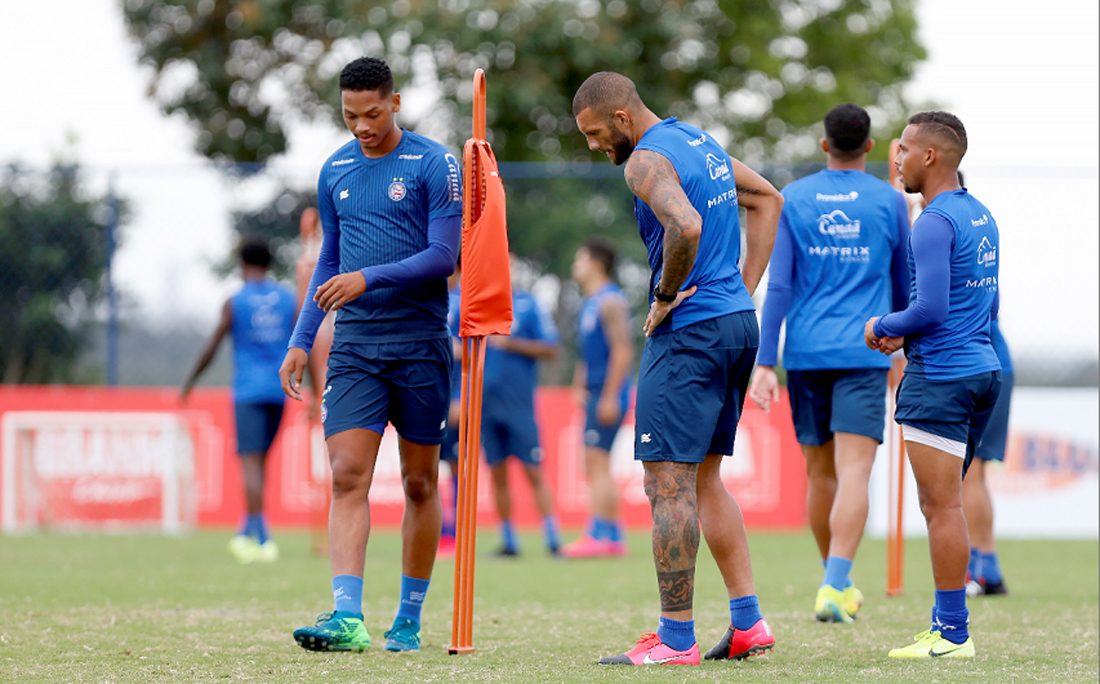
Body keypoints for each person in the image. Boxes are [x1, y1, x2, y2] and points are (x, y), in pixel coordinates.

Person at [573, 72, 783, 666]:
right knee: (704, 479)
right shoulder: (697, 139)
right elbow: (769, 198)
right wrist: (740, 291)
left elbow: (685, 225)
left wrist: (666, 294)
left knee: (666, 484)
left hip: (689, 333)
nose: (593, 147)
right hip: (737, 326)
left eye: (593, 133)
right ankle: (748, 624)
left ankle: (675, 639)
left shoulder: (642, 161)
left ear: (619, 118)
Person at [280, 56, 462, 654]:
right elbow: (330, 263)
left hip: (421, 345)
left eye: (373, 113)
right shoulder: (333, 170)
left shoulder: (435, 164)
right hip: (356, 345)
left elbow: (443, 257)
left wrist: (368, 278)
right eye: (350, 115)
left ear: (396, 102)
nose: (362, 126)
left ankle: (408, 618)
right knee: (347, 475)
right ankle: (347, 616)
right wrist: (301, 340)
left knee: (417, 484)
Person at [749, 103, 911, 623]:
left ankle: (832, 580)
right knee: (855, 472)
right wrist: (906, 348)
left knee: (820, 476)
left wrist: (764, 362)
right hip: (867, 352)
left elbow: (781, 285)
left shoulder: (794, 197)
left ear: (825, 145)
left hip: (804, 353)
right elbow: (905, 284)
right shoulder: (890, 201)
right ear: (868, 146)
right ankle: (835, 582)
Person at [864, 111, 1002, 658]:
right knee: (950, 504)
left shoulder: (933, 220)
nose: (896, 159)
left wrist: (884, 327)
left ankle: (952, 633)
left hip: (942, 378)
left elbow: (930, 306)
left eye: (904, 150)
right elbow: (973, 304)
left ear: (930, 157)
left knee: (941, 508)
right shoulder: (981, 214)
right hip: (981, 370)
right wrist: (909, 336)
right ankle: (945, 624)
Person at [180, 235, 297, 564]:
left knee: (250, 464)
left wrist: (190, 382)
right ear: (270, 263)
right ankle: (247, 529)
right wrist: (314, 386)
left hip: (248, 390)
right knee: (261, 463)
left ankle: (262, 540)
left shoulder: (235, 301)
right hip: (280, 389)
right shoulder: (289, 299)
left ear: (242, 264)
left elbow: (212, 346)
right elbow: (307, 340)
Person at [478, 256, 563, 557]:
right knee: (497, 473)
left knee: (533, 471)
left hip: (519, 405)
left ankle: (553, 539)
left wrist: (511, 344)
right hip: (485, 406)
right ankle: (509, 541)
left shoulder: (528, 304)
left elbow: (551, 347)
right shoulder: (478, 304)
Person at [561, 238, 634, 558]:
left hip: (608, 393)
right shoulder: (590, 302)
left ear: (596, 263)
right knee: (593, 463)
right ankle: (612, 535)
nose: (575, 265)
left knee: (598, 462)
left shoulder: (610, 302)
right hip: (595, 391)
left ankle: (600, 535)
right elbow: (587, 352)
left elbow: (623, 351)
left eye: (580, 258)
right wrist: (579, 384)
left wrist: (608, 397)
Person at [963, 317, 1012, 596]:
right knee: (975, 472)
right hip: (993, 361)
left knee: (968, 470)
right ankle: (988, 570)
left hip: (981, 366)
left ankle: (973, 570)